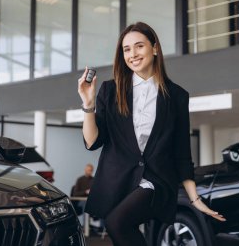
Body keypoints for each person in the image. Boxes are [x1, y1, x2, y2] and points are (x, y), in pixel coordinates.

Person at [77, 22, 225, 246]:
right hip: (118, 179)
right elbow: (92, 142)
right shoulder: (110, 90)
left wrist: (195, 199)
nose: (133, 54)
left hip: (156, 182)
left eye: (139, 46)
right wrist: (88, 104)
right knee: (119, 229)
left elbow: (182, 152)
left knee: (117, 223)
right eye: (127, 49)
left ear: (154, 48)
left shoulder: (176, 95)